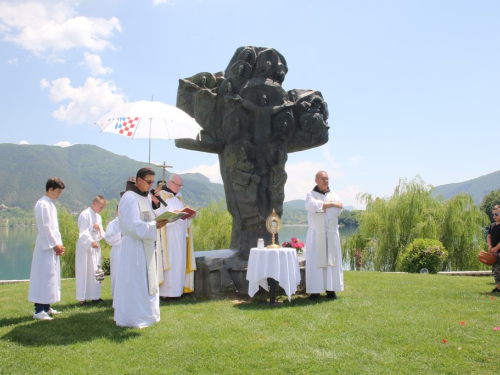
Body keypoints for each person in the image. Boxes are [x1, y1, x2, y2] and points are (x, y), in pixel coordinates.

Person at [113, 168, 168, 328]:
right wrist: (154, 225)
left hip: (146, 247)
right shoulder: (130, 198)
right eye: (148, 182)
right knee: (135, 282)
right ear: (138, 180)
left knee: (146, 281)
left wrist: (157, 214)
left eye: (152, 182)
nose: (151, 185)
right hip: (134, 248)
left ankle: (148, 314)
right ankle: (133, 317)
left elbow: (148, 219)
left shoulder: (143, 198)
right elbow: (130, 226)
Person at [28, 178, 66, 320]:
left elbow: (55, 229)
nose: (59, 195)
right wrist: (54, 245)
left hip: (52, 246)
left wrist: (59, 244)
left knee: (50, 276)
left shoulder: (50, 204)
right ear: (50, 189)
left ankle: (46, 306)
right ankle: (38, 310)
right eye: (58, 192)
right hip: (45, 246)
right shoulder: (42, 204)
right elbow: (45, 228)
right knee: (43, 276)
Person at [154, 174, 196, 300]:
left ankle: (178, 291)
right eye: (176, 185)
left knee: (180, 262)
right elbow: (157, 214)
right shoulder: (162, 196)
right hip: (169, 236)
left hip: (181, 236)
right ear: (170, 183)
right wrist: (173, 214)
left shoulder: (179, 199)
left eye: (180, 185)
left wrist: (189, 216)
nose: (178, 188)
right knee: (171, 262)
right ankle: (167, 293)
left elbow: (184, 219)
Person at [304, 171, 344, 300]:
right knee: (316, 261)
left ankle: (331, 290)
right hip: (317, 234)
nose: (325, 181)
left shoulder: (333, 194)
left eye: (327, 179)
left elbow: (337, 211)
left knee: (331, 261)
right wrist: (331, 204)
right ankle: (315, 291)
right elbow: (312, 206)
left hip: (331, 233)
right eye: (323, 178)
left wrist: (324, 206)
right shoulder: (311, 195)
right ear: (316, 180)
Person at [75, 195, 107, 305]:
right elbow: (83, 232)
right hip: (86, 247)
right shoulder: (85, 214)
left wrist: (99, 230)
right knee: (85, 271)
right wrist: (90, 241)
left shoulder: (98, 217)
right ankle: (82, 298)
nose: (101, 210)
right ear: (94, 204)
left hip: (95, 247)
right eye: (100, 207)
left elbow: (102, 233)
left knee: (96, 271)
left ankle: (95, 296)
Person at [105, 206, 121, 298]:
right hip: (117, 251)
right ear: (116, 213)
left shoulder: (129, 222)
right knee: (116, 274)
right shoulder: (112, 224)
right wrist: (121, 236)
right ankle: (116, 297)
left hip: (129, 251)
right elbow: (109, 239)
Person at [488, 205, 500, 293]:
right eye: (493, 214)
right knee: (495, 270)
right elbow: (489, 236)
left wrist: (496, 248)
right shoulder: (492, 226)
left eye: (496, 214)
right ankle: (498, 288)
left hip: (498, 250)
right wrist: (490, 246)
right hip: (494, 251)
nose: (494, 216)